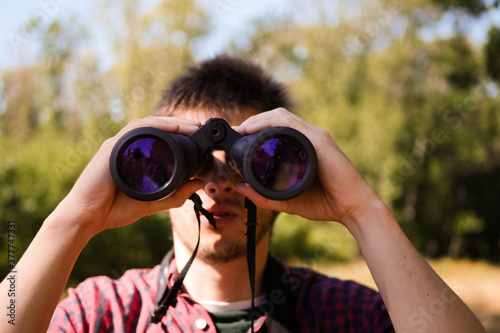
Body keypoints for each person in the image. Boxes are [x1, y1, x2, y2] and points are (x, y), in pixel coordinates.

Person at [0, 55, 486, 333]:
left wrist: (363, 210)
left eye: (254, 162)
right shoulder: (104, 311)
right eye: (188, 162)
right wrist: (73, 219)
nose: (219, 183)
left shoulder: (345, 314)